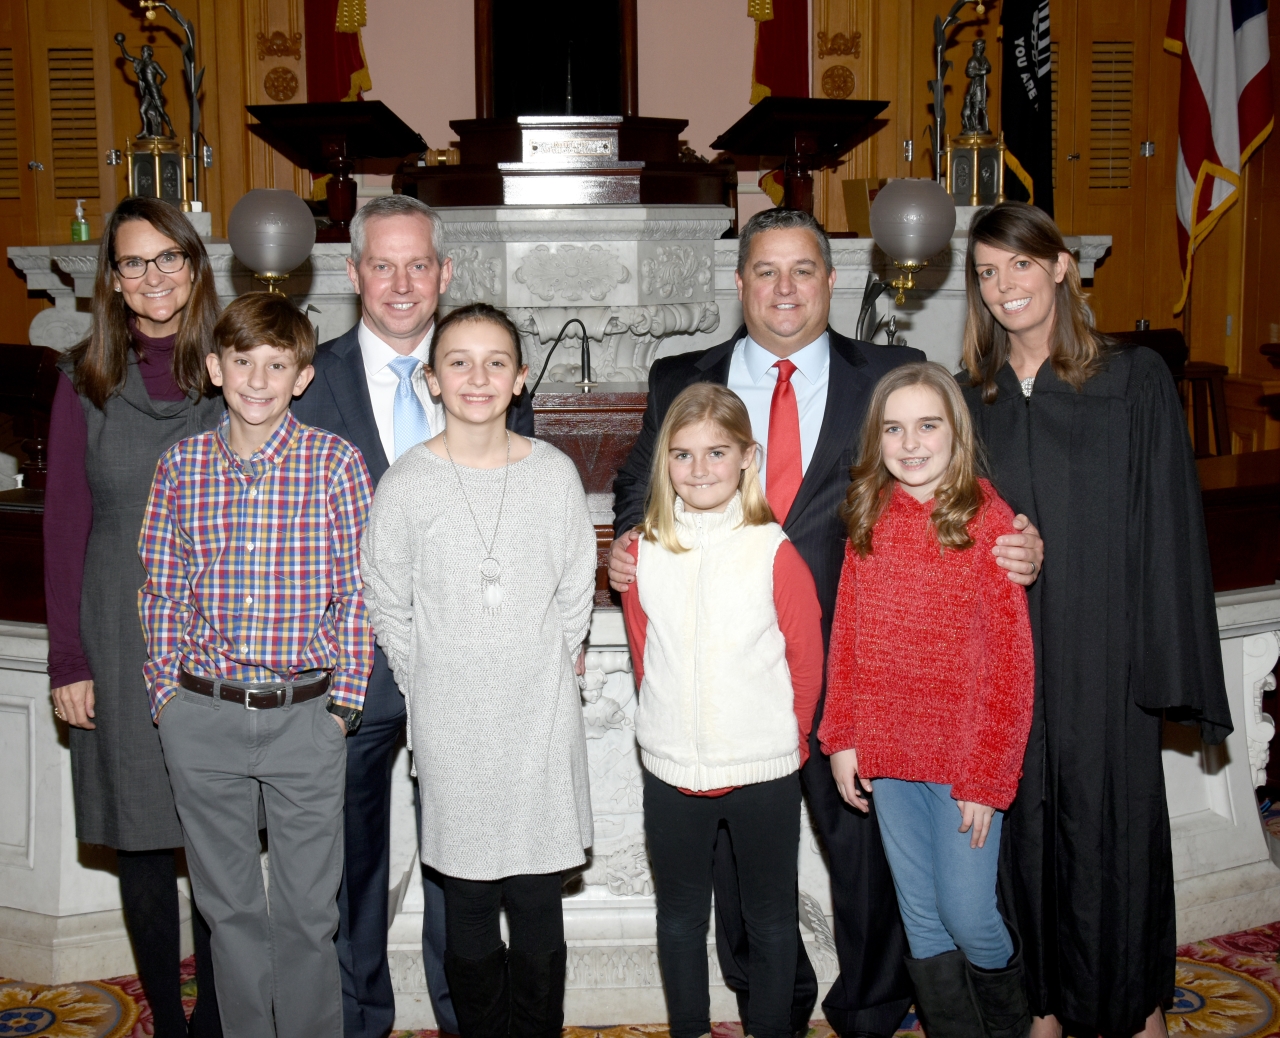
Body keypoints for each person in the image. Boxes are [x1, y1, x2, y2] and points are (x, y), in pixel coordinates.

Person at [609, 207, 1044, 1038]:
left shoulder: (892, 374)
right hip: (731, 675)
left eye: (802, 269)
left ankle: (873, 1006)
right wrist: (632, 539)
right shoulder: (679, 376)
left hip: (854, 665)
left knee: (867, 858)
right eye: (765, 271)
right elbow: (642, 477)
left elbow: (966, 480)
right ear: (738, 285)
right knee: (740, 869)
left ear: (830, 279)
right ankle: (766, 1000)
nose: (784, 287)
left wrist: (1027, 539)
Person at [958, 201, 1233, 1038]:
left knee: (1114, 827)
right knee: (1025, 831)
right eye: (987, 272)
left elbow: (1169, 521)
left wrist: (1160, 663)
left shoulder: (1131, 379)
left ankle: (1137, 1004)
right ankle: (1041, 1004)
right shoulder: (975, 393)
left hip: (1104, 645)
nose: (1005, 287)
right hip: (1011, 648)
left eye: (1021, 265)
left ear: (1063, 266)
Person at [291, 193, 534, 1038]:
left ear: (445, 273)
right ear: (353, 273)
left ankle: (461, 1014)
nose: (402, 284)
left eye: (418, 265)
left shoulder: (483, 372)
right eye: (382, 265)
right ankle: (360, 1016)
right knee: (352, 859)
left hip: (462, 670)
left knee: (459, 863)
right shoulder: (303, 381)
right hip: (344, 664)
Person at [138, 292, 375, 1038]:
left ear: (302, 377)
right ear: (214, 368)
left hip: (305, 717)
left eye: (277, 365)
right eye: (243, 361)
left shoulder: (335, 464)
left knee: (308, 913)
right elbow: (161, 586)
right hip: (201, 715)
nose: (259, 379)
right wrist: (166, 698)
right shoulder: (180, 467)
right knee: (228, 912)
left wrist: (343, 708)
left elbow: (359, 593)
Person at [360, 302, 595, 1038]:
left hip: (539, 726)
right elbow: (387, 601)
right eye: (458, 361)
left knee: (537, 914)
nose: (477, 377)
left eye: (497, 362)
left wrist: (541, 675)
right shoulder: (406, 483)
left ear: (521, 379)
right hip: (451, 729)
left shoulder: (554, 475)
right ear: (431, 380)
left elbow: (574, 590)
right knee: (464, 918)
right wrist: (426, 684)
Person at [44, 195, 223, 1038]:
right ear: (111, 280)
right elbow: (65, 525)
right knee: (144, 845)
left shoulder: (235, 368)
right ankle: (170, 1021)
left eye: (167, 258)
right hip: (117, 627)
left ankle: (220, 1019)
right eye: (132, 263)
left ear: (194, 265)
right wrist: (68, 662)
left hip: (221, 629)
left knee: (219, 844)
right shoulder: (84, 379)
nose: (152, 278)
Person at [820, 362, 1034, 1038]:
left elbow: (1010, 664)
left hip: (962, 762)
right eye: (894, 428)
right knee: (920, 914)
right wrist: (842, 736)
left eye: (927, 425)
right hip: (888, 752)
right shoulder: (869, 514)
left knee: (968, 913)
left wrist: (988, 775)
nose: (911, 443)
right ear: (876, 439)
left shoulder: (988, 518)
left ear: (956, 432)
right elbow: (847, 634)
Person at [619, 382, 824, 1038]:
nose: (699, 469)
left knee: (769, 922)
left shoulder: (772, 549)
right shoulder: (643, 552)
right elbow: (645, 654)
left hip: (763, 767)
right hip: (672, 767)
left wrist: (785, 743)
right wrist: (666, 729)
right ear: (665, 464)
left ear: (746, 457)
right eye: (682, 455)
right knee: (680, 921)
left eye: (716, 452)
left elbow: (806, 659)